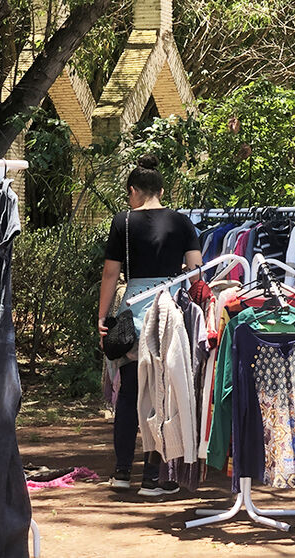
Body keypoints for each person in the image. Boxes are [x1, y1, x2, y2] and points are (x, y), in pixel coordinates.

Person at [97, 155, 203, 496]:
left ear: (134, 191)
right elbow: (195, 272)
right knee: (163, 394)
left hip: (135, 307)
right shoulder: (183, 222)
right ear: (161, 189)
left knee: (129, 393)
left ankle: (122, 473)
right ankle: (153, 477)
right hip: (169, 308)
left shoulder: (122, 222)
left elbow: (111, 274)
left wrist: (102, 318)